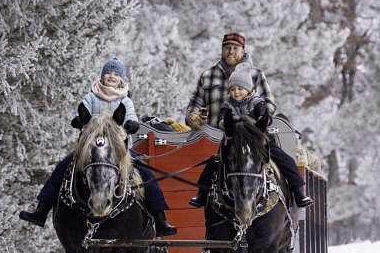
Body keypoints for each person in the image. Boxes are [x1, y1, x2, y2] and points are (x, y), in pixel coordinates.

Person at [19, 57, 177, 236]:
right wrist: (80, 120)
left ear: (121, 79)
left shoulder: (125, 101)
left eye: (116, 74)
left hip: (119, 150)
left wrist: (131, 124)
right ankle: (41, 211)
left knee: (146, 175)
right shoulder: (92, 96)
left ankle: (160, 219)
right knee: (62, 167)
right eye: (108, 72)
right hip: (91, 149)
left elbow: (130, 116)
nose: (111, 76)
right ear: (102, 76)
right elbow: (83, 110)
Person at [185, 33, 312, 208]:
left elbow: (269, 105)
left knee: (283, 159)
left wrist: (257, 121)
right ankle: (202, 194)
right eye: (227, 47)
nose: (231, 51)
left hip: (256, 136)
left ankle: (297, 193)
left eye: (235, 48)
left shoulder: (256, 75)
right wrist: (193, 116)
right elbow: (196, 104)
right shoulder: (208, 76)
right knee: (215, 163)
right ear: (222, 50)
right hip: (222, 137)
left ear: (243, 50)